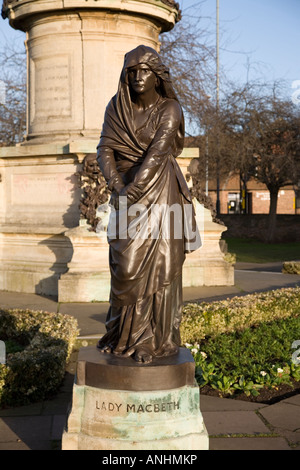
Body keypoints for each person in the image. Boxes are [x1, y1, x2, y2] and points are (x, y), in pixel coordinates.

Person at [96, 45, 201, 364]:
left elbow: (157, 155)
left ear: (157, 77)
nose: (137, 77)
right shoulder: (117, 107)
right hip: (126, 190)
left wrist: (130, 190)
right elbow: (104, 149)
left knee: (161, 264)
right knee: (126, 268)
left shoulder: (170, 109)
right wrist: (117, 185)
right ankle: (123, 334)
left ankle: (151, 341)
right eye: (131, 71)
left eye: (144, 71)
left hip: (162, 192)